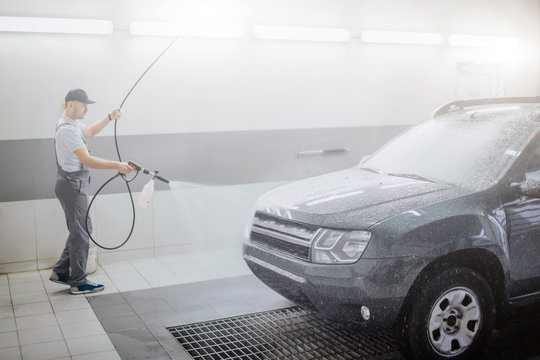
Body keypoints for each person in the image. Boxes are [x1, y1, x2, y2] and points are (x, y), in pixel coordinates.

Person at [50, 88, 133, 294]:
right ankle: (78, 282)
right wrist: (117, 165)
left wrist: (109, 117)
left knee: (81, 229)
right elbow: (87, 160)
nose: (87, 109)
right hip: (71, 186)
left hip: (73, 184)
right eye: (83, 105)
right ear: (70, 104)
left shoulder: (73, 124)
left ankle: (61, 271)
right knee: (81, 233)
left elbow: (89, 132)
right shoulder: (67, 130)